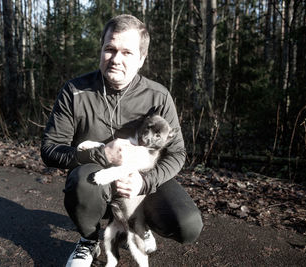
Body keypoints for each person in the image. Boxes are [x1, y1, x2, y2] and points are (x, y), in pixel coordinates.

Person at [41, 14, 203, 267]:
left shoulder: (158, 96)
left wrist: (145, 181)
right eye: (110, 49)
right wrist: (101, 154)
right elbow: (50, 150)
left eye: (127, 52)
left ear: (141, 58)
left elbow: (177, 153)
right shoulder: (75, 91)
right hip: (94, 181)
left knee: (188, 225)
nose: (116, 59)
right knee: (82, 183)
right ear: (101, 50)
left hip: (140, 180)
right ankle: (89, 239)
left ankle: (140, 223)